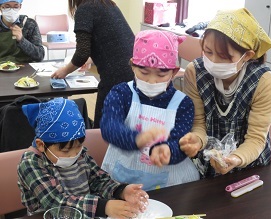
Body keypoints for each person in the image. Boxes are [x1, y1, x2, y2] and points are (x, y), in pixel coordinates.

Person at [179, 8, 271, 178]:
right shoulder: (195, 72)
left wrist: (235, 158)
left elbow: (256, 138)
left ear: (247, 55)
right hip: (209, 164)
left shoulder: (262, 80)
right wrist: (196, 140)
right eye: (208, 52)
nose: (214, 61)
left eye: (225, 56)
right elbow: (198, 123)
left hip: (251, 168)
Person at [100, 30, 200, 191]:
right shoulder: (121, 93)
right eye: (144, 72)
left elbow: (181, 142)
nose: (152, 81)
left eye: (161, 75)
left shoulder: (183, 104)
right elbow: (109, 128)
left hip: (168, 184)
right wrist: (137, 139)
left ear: (174, 71)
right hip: (123, 178)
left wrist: (169, 150)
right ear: (133, 65)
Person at [17, 98, 148, 219]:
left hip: (84, 214)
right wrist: (104, 206)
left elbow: (98, 179)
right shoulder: (31, 164)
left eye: (78, 146)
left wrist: (121, 190)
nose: (74, 155)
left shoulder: (80, 154)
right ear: (41, 145)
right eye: (66, 150)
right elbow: (56, 203)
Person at [51, 0, 135, 128]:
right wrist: (92, 58)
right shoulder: (108, 4)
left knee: (102, 129)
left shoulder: (85, 9)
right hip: (134, 72)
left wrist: (65, 70)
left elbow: (82, 52)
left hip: (116, 77)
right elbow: (112, 42)